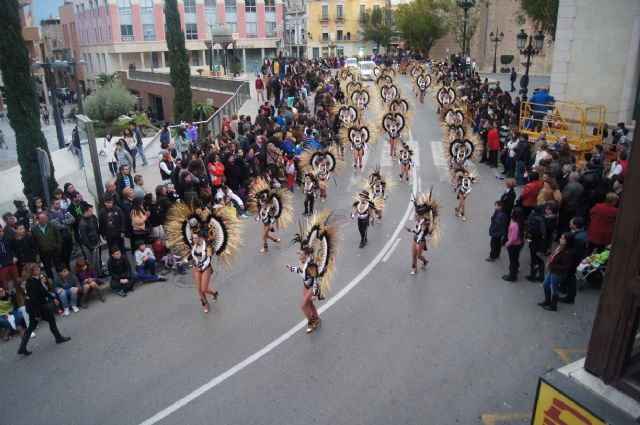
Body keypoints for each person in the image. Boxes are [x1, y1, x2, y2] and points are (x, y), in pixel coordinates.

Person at [18, 263, 71, 356]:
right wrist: (37, 315)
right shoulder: (33, 283)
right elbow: (33, 301)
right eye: (37, 269)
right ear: (32, 272)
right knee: (51, 320)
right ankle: (58, 337)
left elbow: (43, 291)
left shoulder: (34, 280)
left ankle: (22, 347)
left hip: (36, 308)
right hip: (39, 307)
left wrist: (52, 298)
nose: (39, 269)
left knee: (31, 327)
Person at [286, 247, 322, 333]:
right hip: (305, 285)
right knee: (309, 304)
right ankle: (317, 319)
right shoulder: (303, 261)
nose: (299, 256)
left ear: (307, 255)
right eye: (299, 254)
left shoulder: (311, 265)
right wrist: (291, 268)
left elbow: (315, 280)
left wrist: (314, 294)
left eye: (301, 254)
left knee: (303, 305)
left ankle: (311, 323)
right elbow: (301, 271)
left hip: (311, 287)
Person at [538, 232, 575, 311]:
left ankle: (553, 306)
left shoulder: (567, 252)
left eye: (562, 239)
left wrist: (551, 265)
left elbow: (566, 267)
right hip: (553, 270)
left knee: (554, 289)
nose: (560, 239)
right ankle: (547, 300)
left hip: (557, 273)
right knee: (545, 285)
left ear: (568, 241)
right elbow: (553, 256)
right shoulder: (561, 247)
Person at [188, 231, 219, 313]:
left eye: (195, 238)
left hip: (206, 268)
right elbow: (191, 255)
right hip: (196, 268)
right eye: (193, 238)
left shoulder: (208, 246)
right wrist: (183, 261)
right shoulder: (193, 245)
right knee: (199, 289)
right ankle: (206, 304)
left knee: (204, 288)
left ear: (200, 238)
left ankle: (214, 293)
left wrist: (202, 266)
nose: (193, 239)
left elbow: (208, 259)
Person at [560, 217, 588, 303]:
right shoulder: (581, 233)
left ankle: (570, 297)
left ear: (575, 225)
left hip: (573, 261)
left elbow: (576, 252)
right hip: (574, 260)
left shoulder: (578, 238)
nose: (569, 222)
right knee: (568, 276)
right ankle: (563, 288)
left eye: (571, 222)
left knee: (570, 278)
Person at [31, 211, 62, 279]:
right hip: (43, 252)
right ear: (38, 220)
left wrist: (58, 247)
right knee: (47, 268)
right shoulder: (34, 229)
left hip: (54, 250)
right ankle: (51, 281)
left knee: (58, 267)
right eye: (43, 219)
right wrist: (39, 251)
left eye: (46, 218)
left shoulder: (52, 225)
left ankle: (61, 280)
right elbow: (34, 242)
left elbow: (58, 237)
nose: (45, 220)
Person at [48, 198, 75, 269]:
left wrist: (62, 222)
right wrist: (67, 224)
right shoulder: (51, 215)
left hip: (69, 236)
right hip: (60, 239)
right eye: (57, 204)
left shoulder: (64, 210)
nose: (59, 205)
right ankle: (64, 269)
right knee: (63, 255)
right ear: (52, 205)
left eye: (59, 203)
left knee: (69, 253)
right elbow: (58, 226)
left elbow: (72, 219)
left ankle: (68, 266)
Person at [502, 207, 525, 282]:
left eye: (512, 212)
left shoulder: (514, 225)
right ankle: (515, 270)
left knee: (512, 260)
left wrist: (508, 243)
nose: (511, 213)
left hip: (514, 245)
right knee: (515, 259)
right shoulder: (521, 222)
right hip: (519, 243)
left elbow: (514, 237)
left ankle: (512, 276)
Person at [524, 205, 546, 282]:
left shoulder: (533, 219)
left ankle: (532, 276)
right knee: (540, 259)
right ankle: (541, 276)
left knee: (534, 260)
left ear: (533, 211)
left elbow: (531, 231)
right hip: (542, 242)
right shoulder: (543, 218)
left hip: (535, 242)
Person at [77, 202, 101, 273]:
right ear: (85, 212)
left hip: (95, 242)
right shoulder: (82, 223)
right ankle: (93, 276)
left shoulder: (90, 218)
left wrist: (98, 240)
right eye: (90, 211)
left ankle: (99, 273)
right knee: (91, 263)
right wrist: (91, 247)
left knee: (97, 261)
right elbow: (84, 238)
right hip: (89, 246)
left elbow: (95, 230)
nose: (92, 212)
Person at [0, 225, 18, 290]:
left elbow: (12, 249)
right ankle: (7, 297)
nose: (1, 233)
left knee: (17, 279)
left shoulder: (7, 239)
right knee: (4, 283)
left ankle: (19, 293)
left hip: (11, 262)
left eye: (2, 231)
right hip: (2, 265)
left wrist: (14, 256)